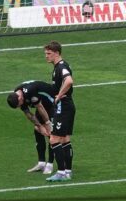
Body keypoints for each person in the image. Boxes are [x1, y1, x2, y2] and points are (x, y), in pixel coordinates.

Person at [7, 80, 57, 175]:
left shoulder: (30, 91)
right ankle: (41, 163)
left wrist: (47, 123)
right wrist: (39, 126)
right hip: (41, 105)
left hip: (52, 103)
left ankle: (50, 164)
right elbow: (28, 114)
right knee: (37, 130)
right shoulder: (17, 94)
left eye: (20, 104)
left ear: (20, 97)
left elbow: (40, 107)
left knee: (51, 133)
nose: (21, 106)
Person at [42, 42, 76, 182]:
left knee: (54, 139)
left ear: (57, 53)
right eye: (45, 54)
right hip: (68, 106)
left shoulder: (61, 67)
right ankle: (67, 171)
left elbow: (69, 81)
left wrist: (59, 95)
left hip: (63, 106)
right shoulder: (60, 66)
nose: (46, 56)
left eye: (49, 54)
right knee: (65, 139)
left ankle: (61, 172)